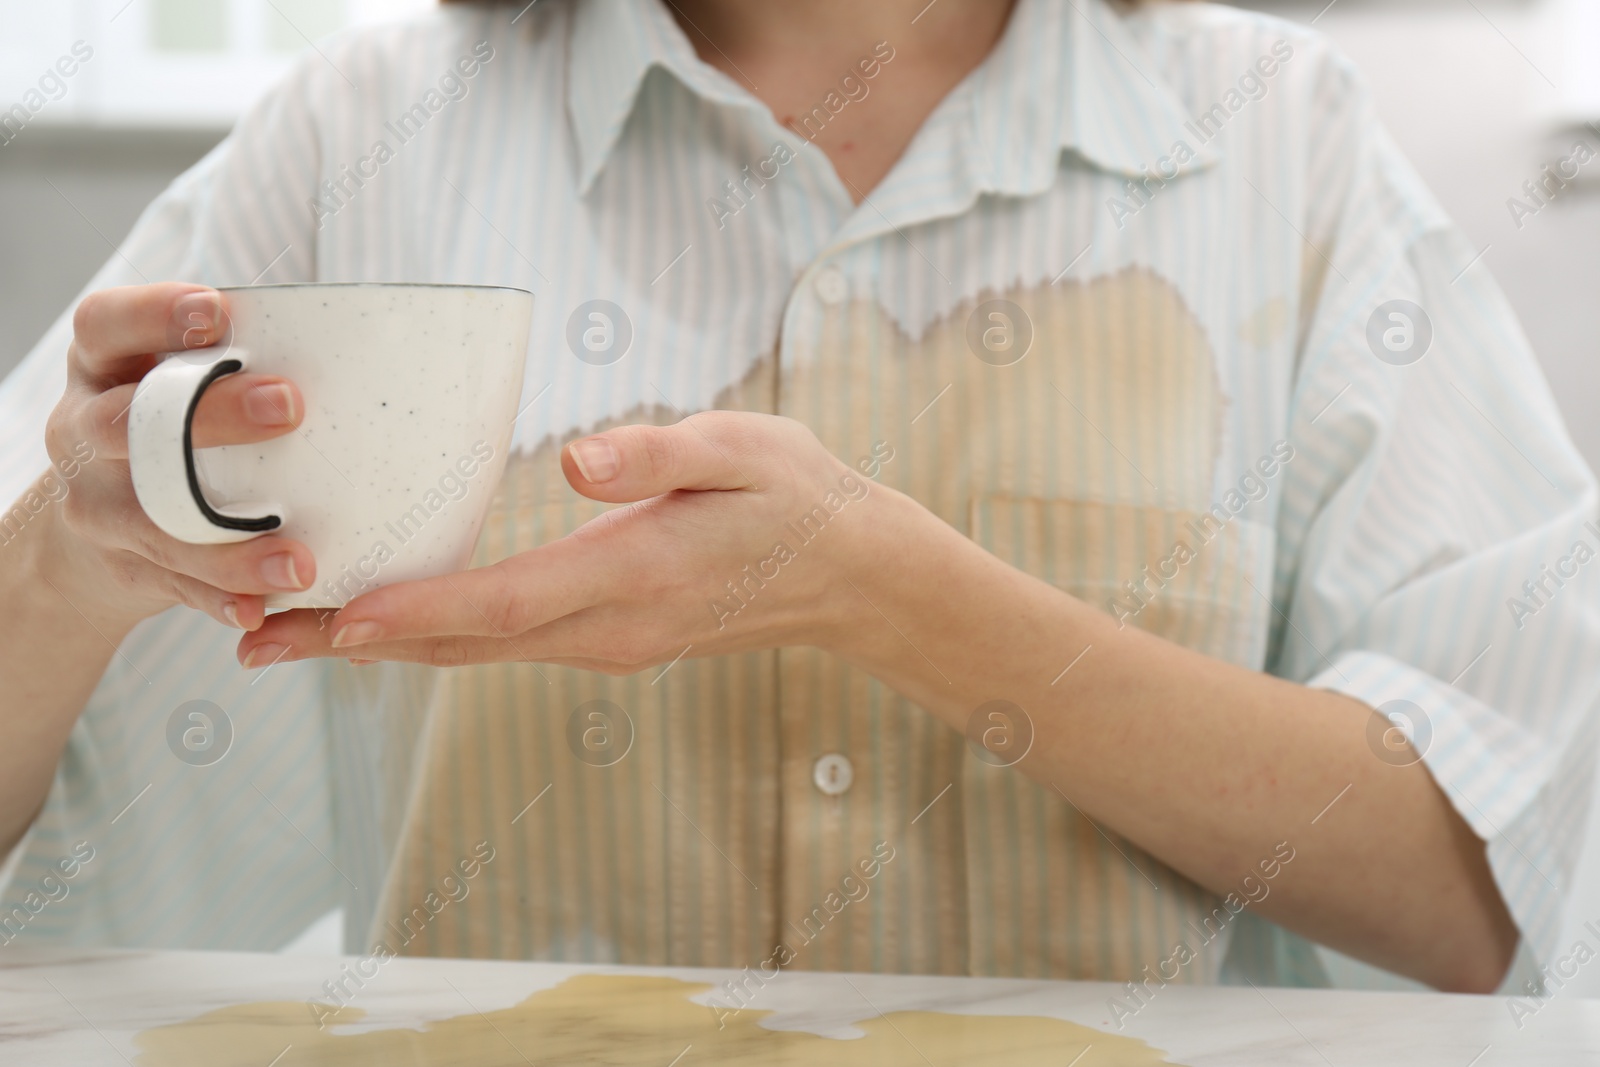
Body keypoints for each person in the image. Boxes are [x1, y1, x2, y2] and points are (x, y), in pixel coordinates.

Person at [1, 0, 1595, 998]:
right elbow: (52, 869)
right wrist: (69, 563)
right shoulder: (353, 135)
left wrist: (910, 606)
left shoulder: (1283, 141)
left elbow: (1485, 893)